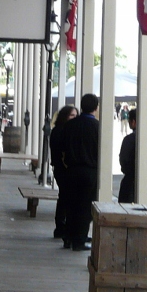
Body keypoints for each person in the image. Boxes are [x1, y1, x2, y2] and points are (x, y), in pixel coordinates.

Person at [57, 94, 100, 250]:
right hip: (90, 172)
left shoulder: (70, 125)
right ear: (96, 107)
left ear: (81, 106)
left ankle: (67, 237)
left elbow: (62, 148)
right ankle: (79, 240)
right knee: (85, 207)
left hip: (72, 170)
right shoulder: (97, 127)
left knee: (71, 205)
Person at [117, 108, 147, 204]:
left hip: (128, 187)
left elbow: (123, 164)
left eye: (129, 121)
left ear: (134, 122)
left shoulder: (128, 140)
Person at [49, 105, 80, 240]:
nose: (75, 118)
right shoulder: (60, 131)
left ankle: (62, 227)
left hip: (62, 168)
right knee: (65, 198)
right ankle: (62, 227)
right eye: (72, 115)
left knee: (64, 198)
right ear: (65, 116)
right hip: (63, 169)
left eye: (76, 115)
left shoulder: (60, 130)